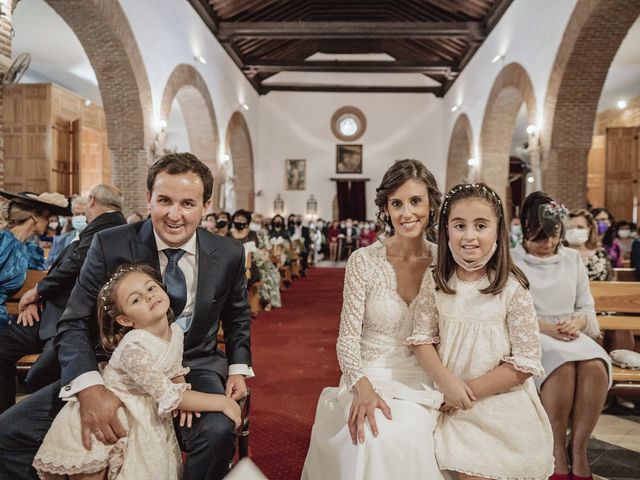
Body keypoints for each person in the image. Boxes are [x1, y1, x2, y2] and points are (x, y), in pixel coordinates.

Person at [0, 153, 253, 480]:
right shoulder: (111, 243)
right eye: (164, 200)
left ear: (206, 205)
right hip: (113, 368)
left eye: (188, 204)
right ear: (148, 199)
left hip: (191, 365)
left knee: (217, 430)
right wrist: (90, 388)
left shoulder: (229, 253)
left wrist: (237, 369)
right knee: (9, 433)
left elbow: (237, 316)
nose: (174, 215)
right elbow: (74, 321)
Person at [302, 159, 444, 480]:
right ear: (386, 208)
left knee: (406, 438)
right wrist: (361, 385)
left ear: (432, 204)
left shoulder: (445, 261)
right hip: (370, 371)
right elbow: (347, 338)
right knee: (370, 437)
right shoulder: (363, 261)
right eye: (397, 203)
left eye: (416, 201)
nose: (406, 213)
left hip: (426, 376)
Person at [32, 263, 242, 479]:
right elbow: (167, 395)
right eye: (136, 299)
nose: (148, 297)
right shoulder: (132, 348)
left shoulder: (176, 330)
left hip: (145, 408)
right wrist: (222, 402)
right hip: (115, 414)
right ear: (125, 319)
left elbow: (173, 368)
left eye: (151, 288)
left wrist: (182, 388)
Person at [408, 183, 553, 480]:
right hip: (451, 403)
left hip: (500, 398)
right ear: (446, 229)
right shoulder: (436, 281)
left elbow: (525, 362)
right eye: (459, 225)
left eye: (481, 225)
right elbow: (422, 339)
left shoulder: (513, 288)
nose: (469, 236)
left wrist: (468, 390)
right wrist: (446, 381)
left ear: (497, 230)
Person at [0, 185, 127, 413]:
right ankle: (7, 417)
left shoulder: (110, 226)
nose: (50, 221)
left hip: (68, 319)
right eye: (47, 216)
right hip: (46, 313)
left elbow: (76, 263)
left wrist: (38, 291)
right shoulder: (100, 227)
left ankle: (24, 420)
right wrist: (39, 297)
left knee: (43, 372)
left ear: (92, 201)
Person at [513, 192, 611, 480]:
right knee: (562, 366)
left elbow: (585, 307)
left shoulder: (572, 260)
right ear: (527, 231)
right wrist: (546, 328)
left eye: (553, 236)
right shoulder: (512, 260)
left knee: (594, 365)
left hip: (569, 331)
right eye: (539, 238)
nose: (547, 244)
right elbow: (511, 311)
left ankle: (579, 448)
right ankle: (556, 448)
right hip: (534, 332)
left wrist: (578, 323)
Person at [0, 191, 66, 332]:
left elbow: (39, 283)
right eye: (47, 216)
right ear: (35, 216)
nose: (49, 223)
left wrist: (32, 301)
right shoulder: (2, 241)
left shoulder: (32, 251)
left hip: (8, 319)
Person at [565, 209, 613, 281]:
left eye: (580, 227)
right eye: (570, 227)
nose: (574, 231)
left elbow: (611, 280)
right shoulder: (558, 254)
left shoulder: (600, 254)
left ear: (589, 229)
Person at [46, 196, 90, 267]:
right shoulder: (59, 240)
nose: (81, 217)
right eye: (77, 214)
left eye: (84, 214)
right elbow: (48, 267)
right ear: (72, 215)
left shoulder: (98, 239)